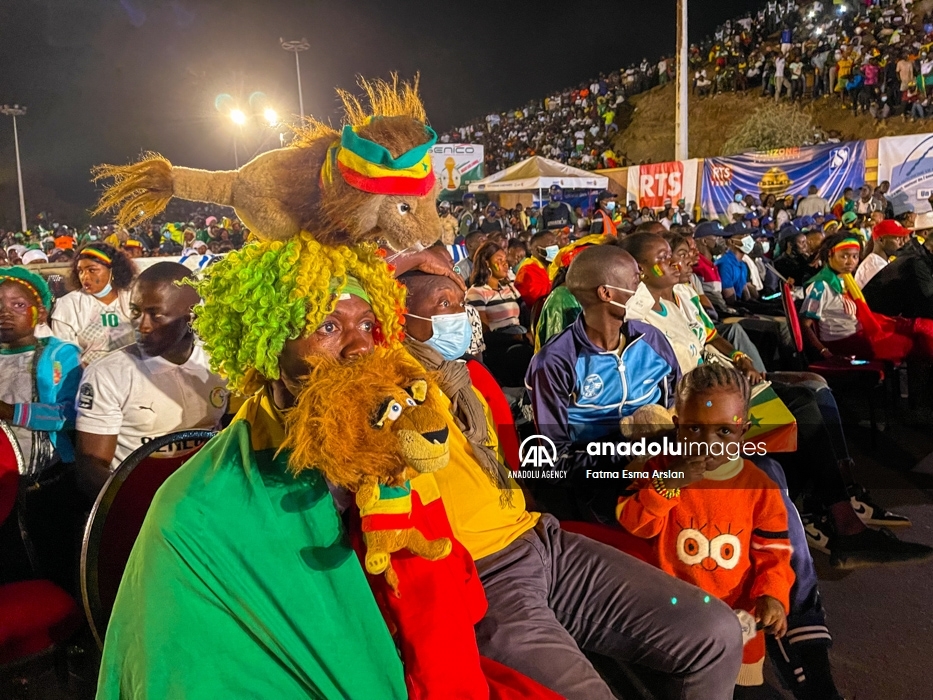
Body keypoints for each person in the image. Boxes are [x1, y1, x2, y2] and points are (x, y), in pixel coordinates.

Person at [102, 234, 744, 700]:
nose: (357, 343)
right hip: (485, 582)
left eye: (364, 323)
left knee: (714, 633)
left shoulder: (418, 372)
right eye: (328, 325)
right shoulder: (301, 434)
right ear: (271, 343)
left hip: (538, 537)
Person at [618, 363, 793, 691]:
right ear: (677, 424)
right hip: (675, 617)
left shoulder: (760, 488)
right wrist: (669, 483)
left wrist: (772, 594)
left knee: (740, 689)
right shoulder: (659, 469)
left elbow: (774, 552)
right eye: (694, 429)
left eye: (724, 432)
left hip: (738, 622)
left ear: (744, 431)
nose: (708, 443)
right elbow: (633, 522)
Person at [74, 262, 228, 500]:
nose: (142, 325)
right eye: (135, 311)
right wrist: (147, 505)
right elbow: (90, 467)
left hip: (208, 498)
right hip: (141, 505)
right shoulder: (107, 374)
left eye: (156, 315)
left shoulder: (221, 363)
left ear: (192, 316)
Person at [0, 266, 82, 588]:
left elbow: (69, 414)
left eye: (18, 305)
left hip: (46, 481)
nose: (5, 313)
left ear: (41, 312)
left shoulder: (61, 354)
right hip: (1, 482)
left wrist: (11, 411)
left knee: (50, 558)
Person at [802, 233, 933, 364]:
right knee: (914, 341)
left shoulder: (845, 280)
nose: (851, 262)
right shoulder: (820, 286)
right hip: (845, 341)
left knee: (922, 326)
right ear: (830, 255)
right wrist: (824, 351)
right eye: (844, 256)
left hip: (859, 332)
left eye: (854, 256)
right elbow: (805, 324)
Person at [50, 243, 137, 365]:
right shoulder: (69, 305)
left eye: (92, 270)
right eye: (80, 271)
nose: (85, 277)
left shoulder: (133, 298)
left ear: (112, 271)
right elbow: (65, 356)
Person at [466, 241, 532, 387]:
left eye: (505, 260)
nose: (505, 264)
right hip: (499, 347)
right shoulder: (476, 293)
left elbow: (523, 316)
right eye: (499, 261)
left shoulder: (509, 288)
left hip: (520, 340)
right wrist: (516, 337)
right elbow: (483, 333)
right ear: (486, 263)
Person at [863, 212, 933, 319]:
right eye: (897, 238)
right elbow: (928, 307)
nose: (901, 241)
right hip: (878, 325)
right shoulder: (916, 262)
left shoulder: (915, 255)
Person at [854, 219, 910, 289]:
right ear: (881, 240)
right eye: (897, 239)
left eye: (902, 239)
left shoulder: (880, 261)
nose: (902, 243)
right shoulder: (874, 268)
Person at [514, 230, 557, 311]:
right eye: (551, 244)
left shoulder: (553, 266)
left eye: (556, 244)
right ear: (537, 250)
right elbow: (539, 301)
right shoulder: (528, 270)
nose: (555, 248)